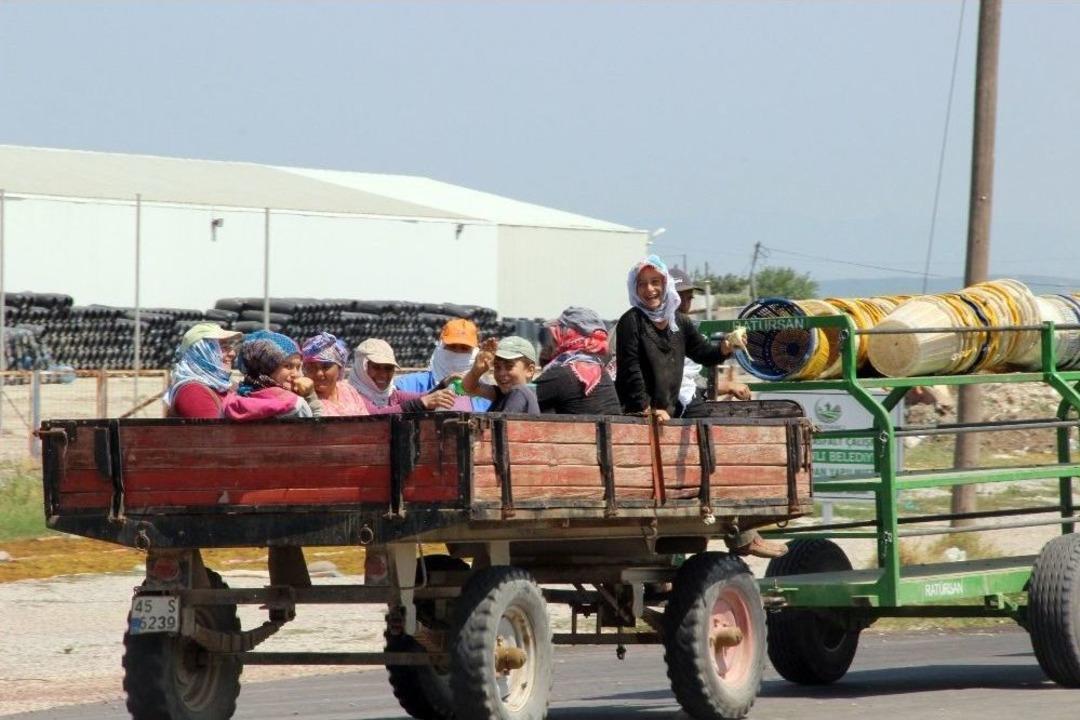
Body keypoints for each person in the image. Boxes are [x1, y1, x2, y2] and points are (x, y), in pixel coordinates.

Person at [616, 256, 784, 558]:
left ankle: (734, 518)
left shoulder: (679, 321)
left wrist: (726, 346)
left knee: (716, 434)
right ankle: (730, 529)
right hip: (644, 411)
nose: (650, 290)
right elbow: (630, 370)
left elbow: (704, 353)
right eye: (642, 284)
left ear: (665, 284)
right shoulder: (632, 322)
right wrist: (646, 408)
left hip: (675, 406)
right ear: (634, 288)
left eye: (655, 282)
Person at [670, 267, 751, 418]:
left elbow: (694, 373)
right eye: (677, 298)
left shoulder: (688, 331)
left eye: (688, 298)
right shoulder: (651, 327)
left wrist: (724, 348)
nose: (683, 305)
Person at [534, 306, 622, 415]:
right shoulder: (600, 370)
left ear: (566, 335)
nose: (552, 341)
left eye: (556, 334)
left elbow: (523, 400)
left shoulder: (564, 374)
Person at [394, 318, 491, 412]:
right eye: (452, 347)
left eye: (464, 348)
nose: (457, 353)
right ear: (440, 347)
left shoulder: (486, 395)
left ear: (476, 352)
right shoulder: (409, 385)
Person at [225, 330, 323, 421]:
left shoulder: (231, 402)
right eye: (288, 366)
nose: (296, 374)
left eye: (298, 367)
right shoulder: (295, 405)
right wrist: (310, 396)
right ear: (266, 367)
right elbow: (318, 433)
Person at [349, 338, 457, 414]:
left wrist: (444, 384)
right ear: (361, 368)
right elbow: (376, 415)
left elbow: (423, 397)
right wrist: (421, 404)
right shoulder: (351, 395)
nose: (382, 375)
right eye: (376, 367)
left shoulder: (391, 395)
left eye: (388, 368)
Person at [163, 322, 242, 418]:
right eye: (223, 348)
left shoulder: (226, 386)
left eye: (230, 347)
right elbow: (214, 432)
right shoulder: (193, 393)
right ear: (202, 353)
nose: (232, 353)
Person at [462, 336, 540, 414]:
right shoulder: (502, 394)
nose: (501, 373)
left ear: (530, 370)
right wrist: (476, 371)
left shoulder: (519, 392)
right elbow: (469, 388)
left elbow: (505, 423)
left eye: (509, 366)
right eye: (497, 367)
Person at [300, 332, 370, 417]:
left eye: (326, 366)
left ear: (339, 368)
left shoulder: (348, 391)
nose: (319, 374)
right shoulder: (303, 399)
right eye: (311, 367)